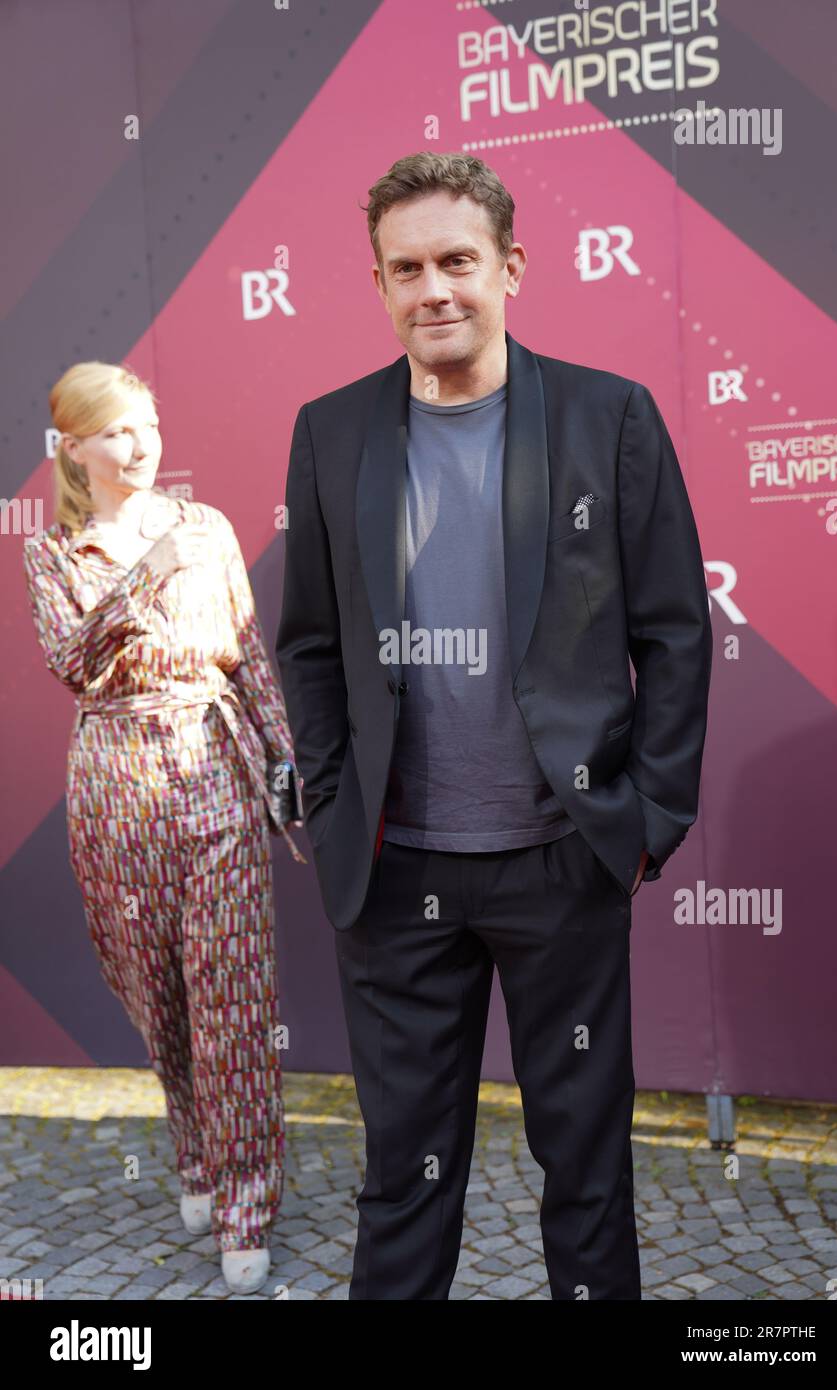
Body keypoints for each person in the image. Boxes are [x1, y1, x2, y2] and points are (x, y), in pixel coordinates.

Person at [276, 152, 712, 1299]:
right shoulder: (329, 434)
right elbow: (310, 647)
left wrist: (645, 820)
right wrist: (332, 811)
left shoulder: (607, 417)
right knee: (401, 1177)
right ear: (377, 285)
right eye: (405, 267)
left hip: (559, 863)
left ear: (510, 266)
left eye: (456, 261)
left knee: (583, 1164)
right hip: (393, 871)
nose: (434, 289)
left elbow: (672, 631)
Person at [22, 360, 305, 1296]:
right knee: (158, 994)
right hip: (116, 783)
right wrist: (144, 573)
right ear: (75, 449)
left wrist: (280, 759)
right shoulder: (53, 555)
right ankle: (194, 1149)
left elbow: (247, 652)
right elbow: (71, 658)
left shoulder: (208, 528)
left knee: (231, 996)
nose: (141, 445)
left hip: (212, 763)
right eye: (117, 432)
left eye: (148, 425)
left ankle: (244, 1203)